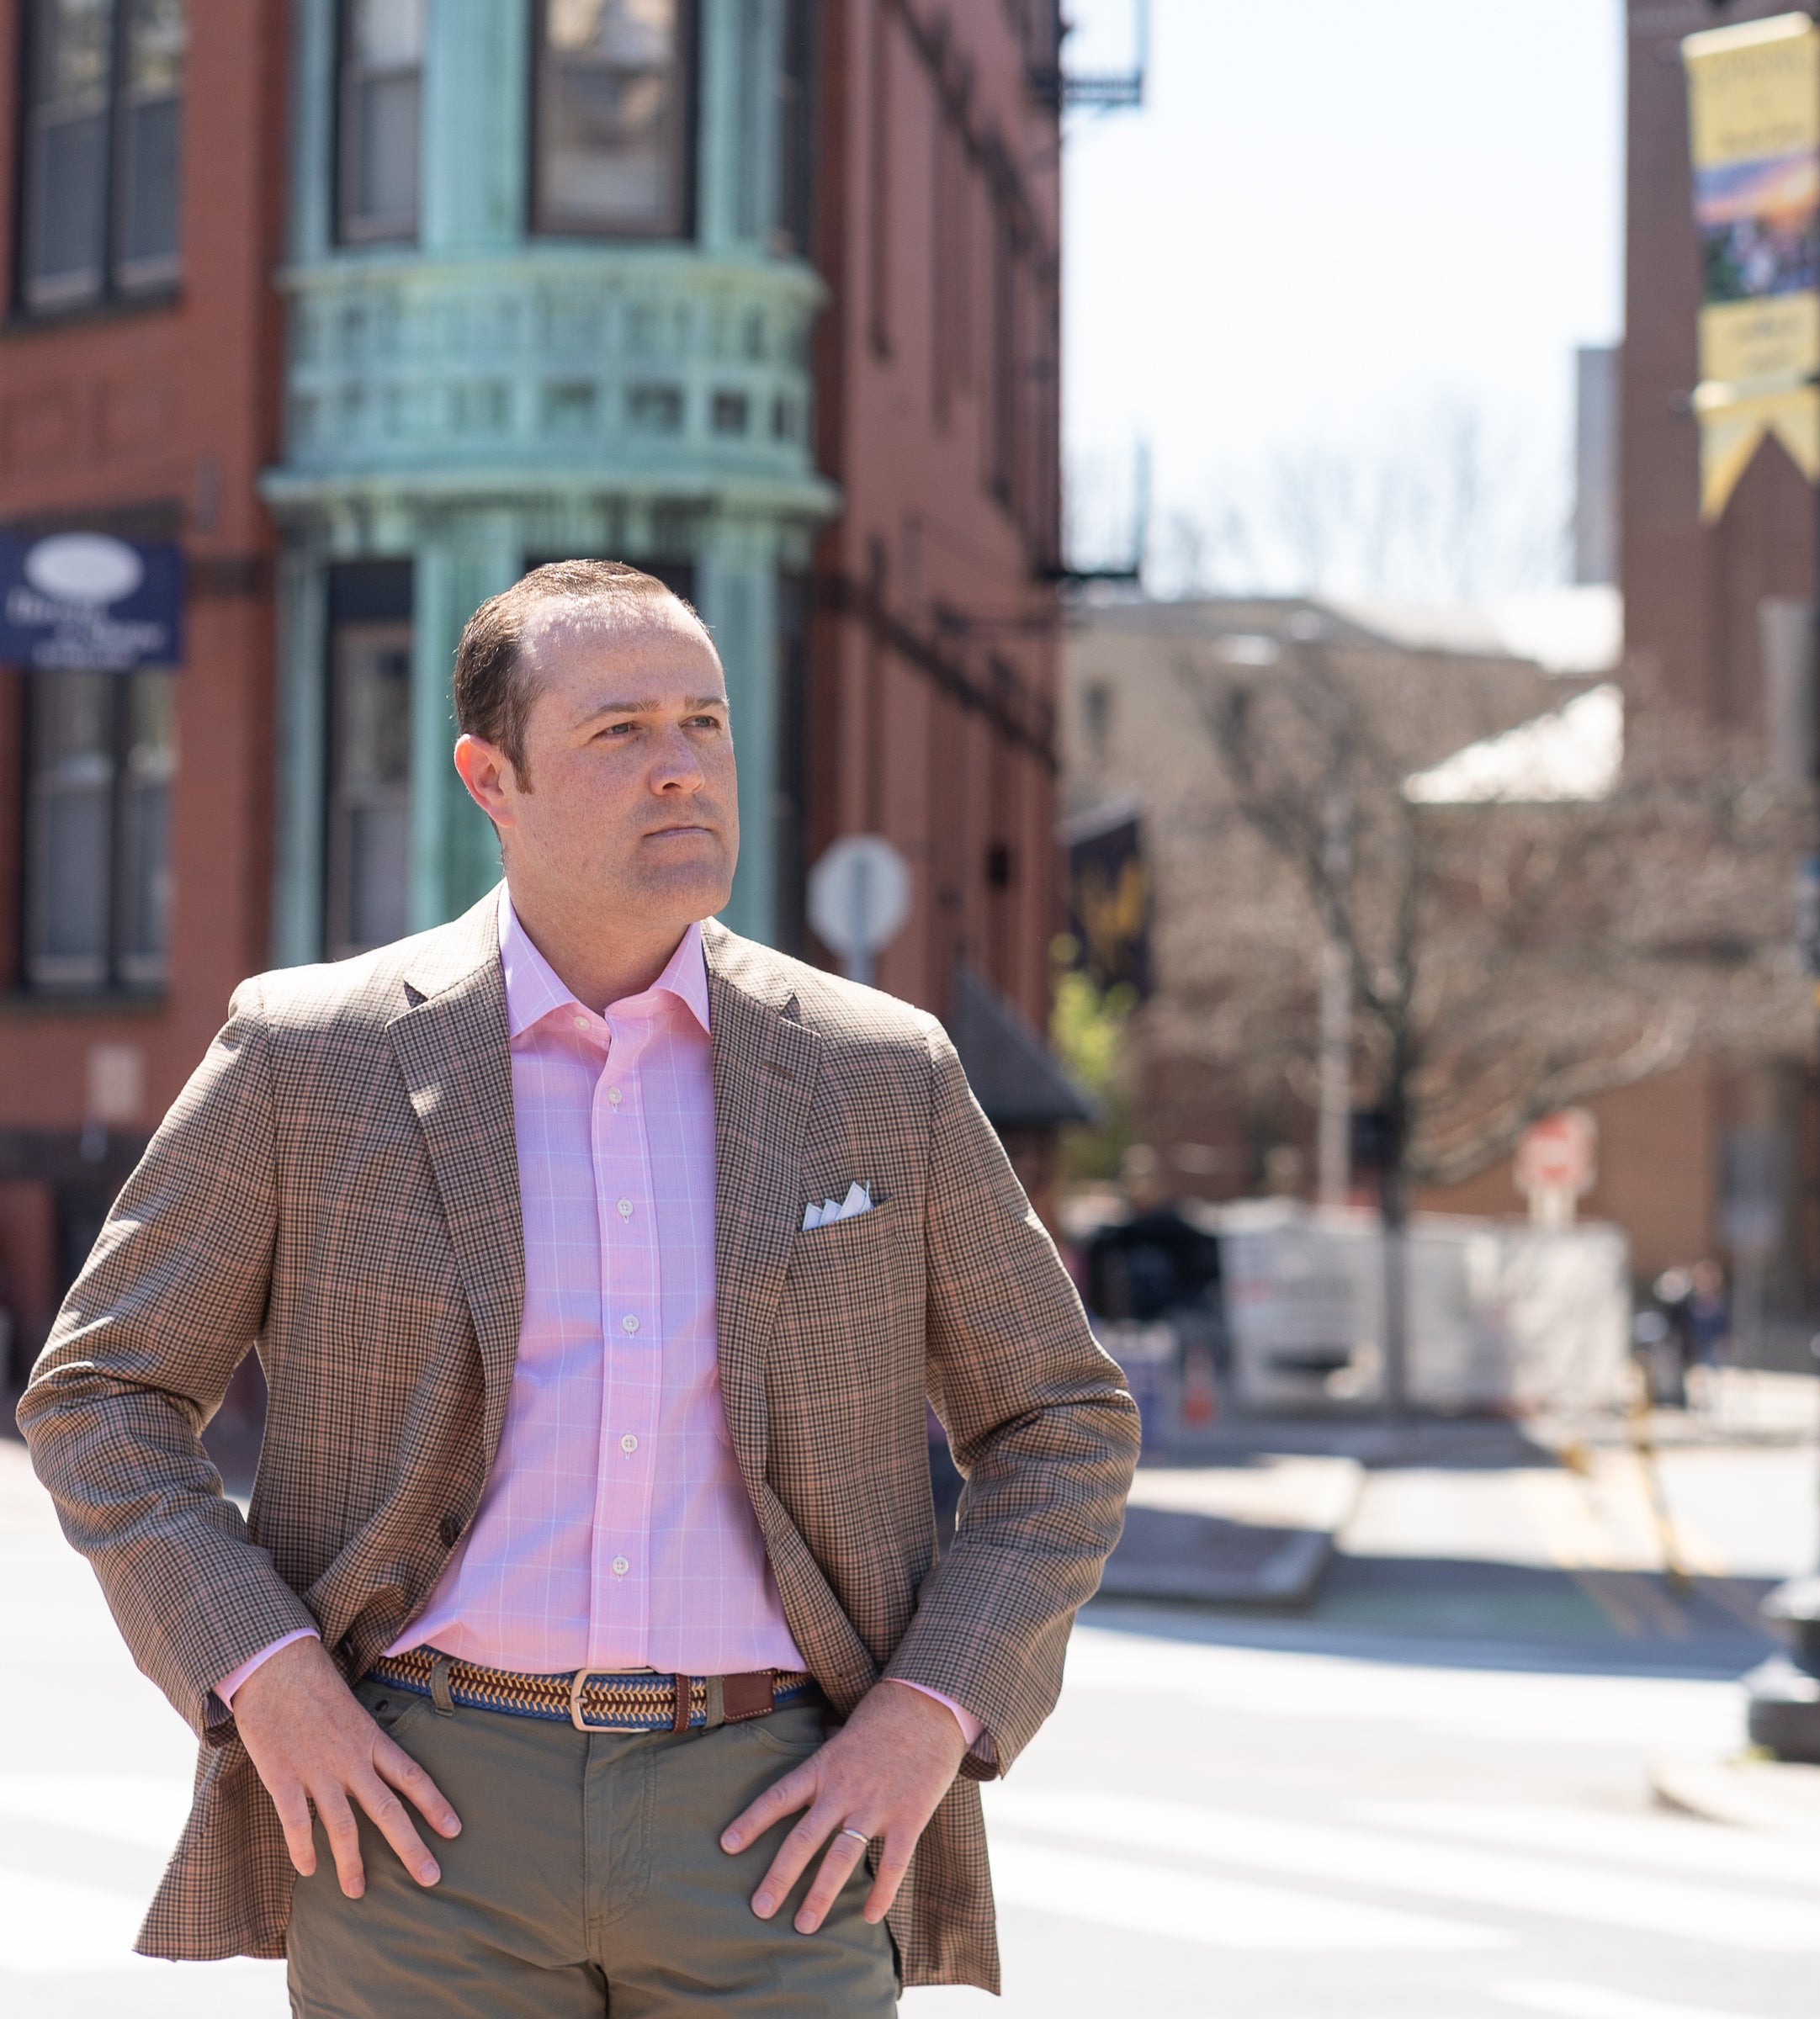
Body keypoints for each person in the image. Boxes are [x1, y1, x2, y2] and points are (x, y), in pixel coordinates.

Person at [19, 560, 1138, 2016]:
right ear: (493, 776)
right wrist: (265, 1676)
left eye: (707, 725)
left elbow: (1061, 1423)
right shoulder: (309, 1057)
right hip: (417, 1817)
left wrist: (928, 1719)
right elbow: (102, 1393)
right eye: (621, 733)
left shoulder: (882, 1072)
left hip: (783, 1825)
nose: (683, 769)